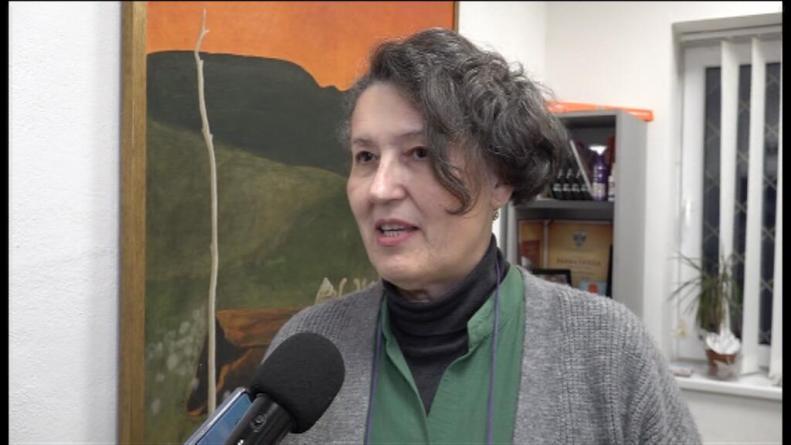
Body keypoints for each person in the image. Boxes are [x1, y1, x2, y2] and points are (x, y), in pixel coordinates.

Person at [267, 28, 701, 444]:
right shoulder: (307, 346)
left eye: (420, 153)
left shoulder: (608, 350)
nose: (380, 189)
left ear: (500, 177)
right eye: (366, 156)